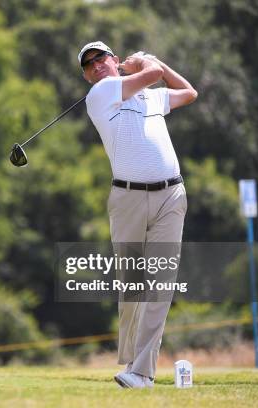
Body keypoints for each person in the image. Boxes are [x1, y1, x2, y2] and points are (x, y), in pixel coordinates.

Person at [77, 41, 197, 388]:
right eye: (89, 64)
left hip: (171, 195)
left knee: (159, 283)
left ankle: (141, 372)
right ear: (87, 77)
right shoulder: (100, 95)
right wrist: (146, 62)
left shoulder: (149, 96)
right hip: (127, 198)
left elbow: (188, 92)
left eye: (102, 58)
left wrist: (152, 63)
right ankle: (131, 362)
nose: (97, 65)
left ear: (114, 60)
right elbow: (155, 74)